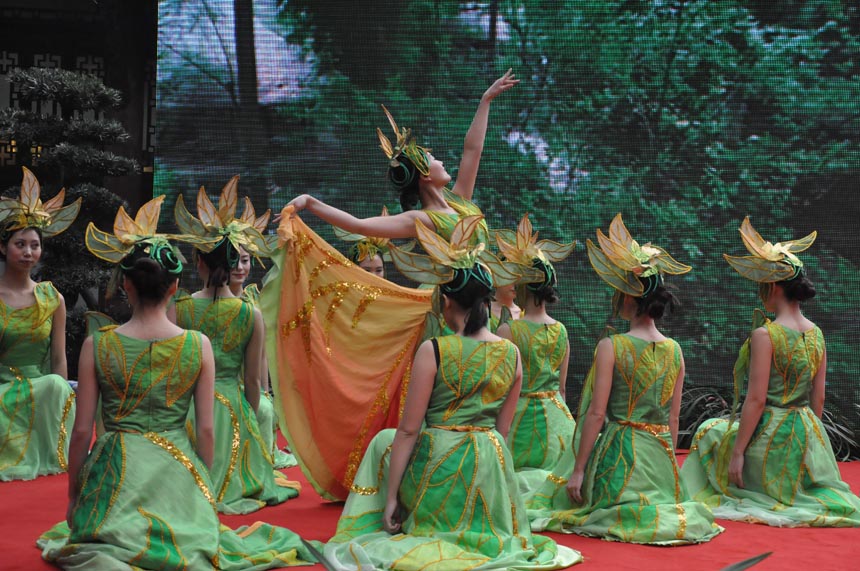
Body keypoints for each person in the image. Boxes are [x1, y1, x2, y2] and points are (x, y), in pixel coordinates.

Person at [38, 196, 316, 569]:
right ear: (173, 288)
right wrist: (199, 489)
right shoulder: (197, 344)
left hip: (115, 475)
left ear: (126, 287)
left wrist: (74, 499)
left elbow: (81, 431)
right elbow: (205, 428)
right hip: (178, 472)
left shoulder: (96, 344)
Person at [323, 217, 581, 570]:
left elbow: (409, 430)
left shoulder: (435, 349)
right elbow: (502, 433)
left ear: (446, 300)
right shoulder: (511, 351)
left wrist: (392, 497)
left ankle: (391, 515)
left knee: (383, 441)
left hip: (440, 463)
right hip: (490, 463)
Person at [528, 214, 722, 544]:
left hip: (619, 461)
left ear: (629, 296)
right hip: (660, 461)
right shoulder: (675, 350)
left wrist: (578, 470)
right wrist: (670, 472)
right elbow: (673, 417)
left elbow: (596, 414)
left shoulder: (611, 346)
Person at [680, 217, 860, 526]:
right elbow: (818, 399)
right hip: (806, 432)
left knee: (710, 431)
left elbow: (757, 400)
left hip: (771, 433)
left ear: (774, 286)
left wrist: (738, 452)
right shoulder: (816, 333)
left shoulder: (766, 334)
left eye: (762, 283)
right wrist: (811, 449)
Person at [174, 178, 299, 514]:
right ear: (231, 263)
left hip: (183, 408)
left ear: (198, 261)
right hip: (231, 410)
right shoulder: (249, 313)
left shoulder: (180, 307)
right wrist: (249, 427)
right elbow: (255, 383)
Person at [284, 70, 519, 244]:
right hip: (455, 304)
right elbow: (359, 225)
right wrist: (309, 201)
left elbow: (472, 150)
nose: (441, 161)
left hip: (481, 304)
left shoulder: (460, 202)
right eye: (432, 158)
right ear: (425, 176)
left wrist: (485, 100)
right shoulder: (422, 220)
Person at [0, 167, 80, 481]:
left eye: (34, 245)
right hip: (2, 386)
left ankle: (53, 445)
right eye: (20, 244)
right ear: (4, 247)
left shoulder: (52, 298)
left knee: (57, 384)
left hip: (39, 387)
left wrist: (60, 401)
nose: (28, 251)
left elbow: (59, 360)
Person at [494, 213, 576, 503]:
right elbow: (563, 388)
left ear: (522, 285)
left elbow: (501, 388)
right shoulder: (562, 330)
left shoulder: (508, 330)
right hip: (557, 420)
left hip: (519, 419)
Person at [226, 199, 299, 471]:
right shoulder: (200, 304)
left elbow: (263, 353)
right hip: (219, 385)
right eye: (233, 260)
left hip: (250, 384)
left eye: (245, 260)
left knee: (266, 409)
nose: (240, 268)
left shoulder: (254, 299)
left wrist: (265, 392)